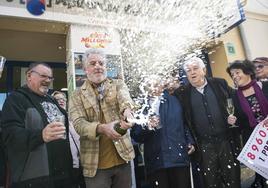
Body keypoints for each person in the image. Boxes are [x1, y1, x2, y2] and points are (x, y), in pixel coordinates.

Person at [69, 49, 135, 188]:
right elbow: (79, 124)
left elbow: (125, 101)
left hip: (123, 159)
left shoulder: (118, 84)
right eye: (93, 63)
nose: (98, 66)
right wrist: (102, 128)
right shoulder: (77, 95)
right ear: (85, 69)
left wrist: (128, 112)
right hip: (95, 166)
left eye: (101, 63)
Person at [1, 62, 74, 188]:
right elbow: (9, 135)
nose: (48, 80)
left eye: (50, 78)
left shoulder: (52, 100)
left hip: (62, 176)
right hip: (33, 179)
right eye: (43, 76)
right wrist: (41, 135)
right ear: (29, 75)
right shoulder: (16, 99)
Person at [174, 57, 241, 188]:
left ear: (204, 70)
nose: (192, 72)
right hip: (203, 146)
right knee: (210, 183)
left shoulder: (219, 84)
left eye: (195, 68)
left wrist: (233, 117)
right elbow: (183, 122)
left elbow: (236, 103)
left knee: (232, 181)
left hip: (226, 141)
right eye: (188, 70)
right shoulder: (181, 94)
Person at [131, 77, 195, 188]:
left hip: (178, 158)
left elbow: (184, 123)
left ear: (162, 84)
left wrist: (189, 141)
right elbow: (135, 135)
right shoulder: (141, 107)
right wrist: (147, 126)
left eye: (156, 83)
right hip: (156, 161)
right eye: (150, 84)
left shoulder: (175, 100)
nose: (154, 87)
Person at [226, 60, 268, 188]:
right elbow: (239, 122)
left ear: (248, 72)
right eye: (232, 74)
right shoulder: (233, 95)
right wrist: (233, 121)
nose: (234, 76)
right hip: (254, 139)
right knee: (262, 171)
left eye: (237, 72)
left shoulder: (265, 86)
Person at [51, 91, 85, 188]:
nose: (61, 101)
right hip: (64, 167)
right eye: (58, 99)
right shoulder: (52, 120)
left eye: (63, 99)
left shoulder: (73, 119)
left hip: (81, 164)